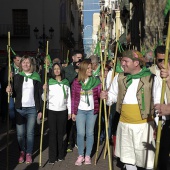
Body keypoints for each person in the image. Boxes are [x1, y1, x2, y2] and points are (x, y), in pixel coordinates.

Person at [100, 50, 161, 170]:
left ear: (136, 63)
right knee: (128, 159)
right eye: (122, 60)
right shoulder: (119, 77)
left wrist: (158, 125)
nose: (122, 63)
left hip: (144, 127)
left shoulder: (152, 79)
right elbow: (112, 96)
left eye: (126, 61)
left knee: (147, 160)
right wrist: (106, 96)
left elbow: (158, 104)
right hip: (124, 125)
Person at [6, 55, 42, 164]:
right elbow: (13, 94)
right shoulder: (17, 77)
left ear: (31, 64)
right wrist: (9, 91)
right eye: (23, 62)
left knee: (30, 133)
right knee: (20, 134)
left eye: (28, 62)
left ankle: (29, 153)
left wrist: (39, 110)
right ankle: (22, 151)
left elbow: (39, 95)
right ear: (21, 64)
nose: (25, 64)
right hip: (19, 109)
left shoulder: (36, 77)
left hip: (32, 109)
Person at [71, 59, 101, 166]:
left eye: (91, 67)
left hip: (92, 111)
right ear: (83, 69)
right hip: (80, 111)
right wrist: (73, 112)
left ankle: (87, 155)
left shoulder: (96, 81)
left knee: (90, 133)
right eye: (88, 68)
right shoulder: (76, 82)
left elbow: (99, 95)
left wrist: (102, 91)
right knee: (80, 133)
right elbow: (74, 97)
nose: (90, 70)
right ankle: (80, 155)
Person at [42, 62, 71, 164]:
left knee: (61, 134)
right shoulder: (49, 82)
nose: (57, 70)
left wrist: (70, 112)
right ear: (52, 71)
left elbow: (69, 98)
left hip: (63, 111)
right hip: (52, 111)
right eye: (54, 69)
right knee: (52, 134)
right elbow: (44, 99)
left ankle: (60, 155)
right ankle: (52, 156)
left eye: (58, 68)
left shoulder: (66, 82)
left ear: (61, 70)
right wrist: (44, 91)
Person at [150, 45, 170, 170]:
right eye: (160, 60)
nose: (163, 63)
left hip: (168, 114)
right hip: (157, 116)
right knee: (161, 148)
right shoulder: (150, 72)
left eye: (166, 59)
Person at [64, 50, 83, 152]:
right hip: (70, 97)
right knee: (70, 121)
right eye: (78, 57)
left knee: (78, 121)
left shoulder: (83, 67)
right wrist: (75, 73)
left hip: (80, 97)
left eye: (81, 58)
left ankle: (76, 140)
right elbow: (67, 81)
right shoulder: (68, 68)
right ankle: (69, 142)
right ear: (73, 58)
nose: (79, 59)